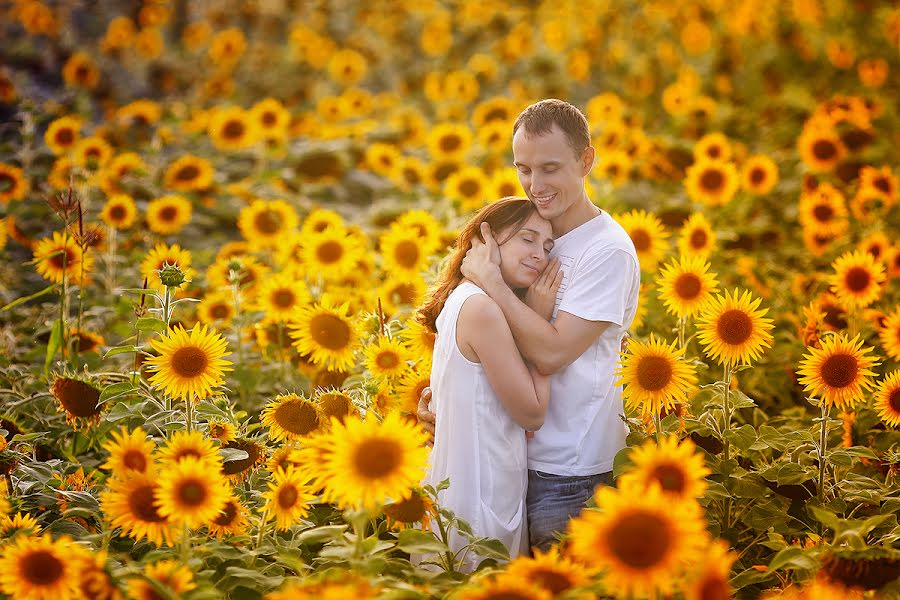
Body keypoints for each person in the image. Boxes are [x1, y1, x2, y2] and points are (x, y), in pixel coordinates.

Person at [418, 99, 640, 552]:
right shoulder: (535, 237)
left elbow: (552, 352)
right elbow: (496, 340)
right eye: (524, 168)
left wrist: (494, 284)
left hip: (570, 473)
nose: (535, 184)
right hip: (512, 461)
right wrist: (447, 395)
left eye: (550, 169)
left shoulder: (606, 252)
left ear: (586, 161)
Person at [415, 197, 562, 571]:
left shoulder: (463, 300)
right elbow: (531, 413)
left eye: (547, 246)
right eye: (527, 238)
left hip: (468, 487)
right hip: (479, 497)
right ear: (487, 240)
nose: (539, 255)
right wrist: (541, 325)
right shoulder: (482, 309)